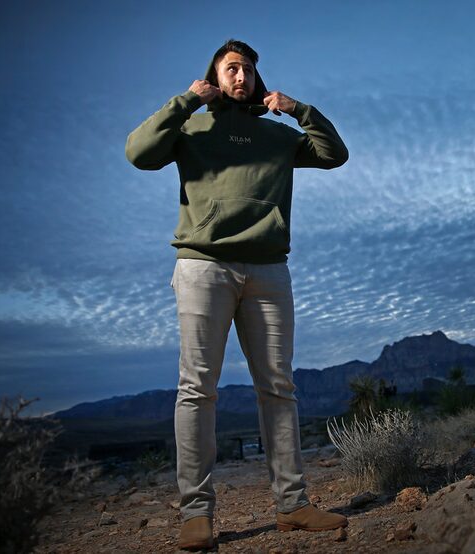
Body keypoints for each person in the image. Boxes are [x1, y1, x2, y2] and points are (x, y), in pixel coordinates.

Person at [125, 39, 349, 550]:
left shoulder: (275, 136)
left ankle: (293, 506)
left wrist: (298, 110)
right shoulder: (191, 128)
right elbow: (138, 153)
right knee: (197, 388)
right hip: (204, 267)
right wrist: (186, 101)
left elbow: (335, 154)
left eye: (248, 68)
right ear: (213, 76)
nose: (241, 76)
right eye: (231, 68)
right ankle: (196, 513)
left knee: (278, 387)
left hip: (269, 270)